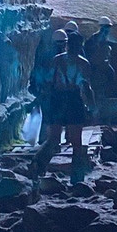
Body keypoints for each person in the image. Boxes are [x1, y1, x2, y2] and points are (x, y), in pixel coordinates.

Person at [30, 30, 95, 183]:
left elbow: (47, 83)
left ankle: (36, 166)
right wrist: (91, 107)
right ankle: (77, 179)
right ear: (80, 46)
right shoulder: (83, 64)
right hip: (73, 100)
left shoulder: (56, 61)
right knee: (76, 142)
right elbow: (86, 87)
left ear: (67, 45)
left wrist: (45, 104)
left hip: (57, 99)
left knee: (53, 140)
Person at [28, 28, 68, 142]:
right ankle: (49, 142)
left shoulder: (47, 55)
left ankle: (46, 141)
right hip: (51, 92)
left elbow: (37, 73)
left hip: (49, 91)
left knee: (49, 118)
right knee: (52, 118)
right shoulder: (62, 58)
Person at [84, 15, 117, 96]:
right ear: (101, 27)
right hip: (94, 63)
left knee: (111, 73)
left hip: (103, 62)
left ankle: (112, 91)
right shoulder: (95, 37)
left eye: (108, 27)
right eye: (106, 26)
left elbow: (110, 42)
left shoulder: (106, 37)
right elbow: (91, 47)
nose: (107, 29)